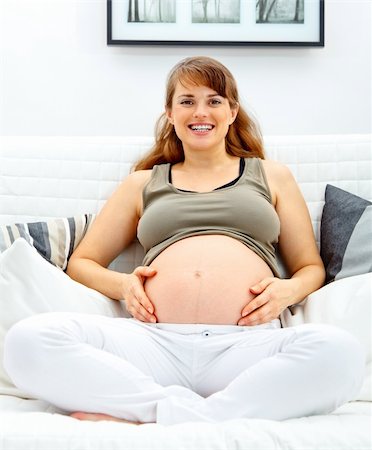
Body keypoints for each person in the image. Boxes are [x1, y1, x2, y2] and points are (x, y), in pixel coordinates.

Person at [4, 56, 365, 425]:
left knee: (341, 353)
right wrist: (124, 284)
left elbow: (310, 267)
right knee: (27, 340)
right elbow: (83, 262)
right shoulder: (142, 184)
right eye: (187, 101)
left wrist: (287, 292)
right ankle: (203, 414)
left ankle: (154, 414)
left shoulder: (272, 176)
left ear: (232, 111)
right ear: (170, 113)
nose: (200, 112)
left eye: (214, 100)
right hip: (154, 343)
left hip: (246, 345)